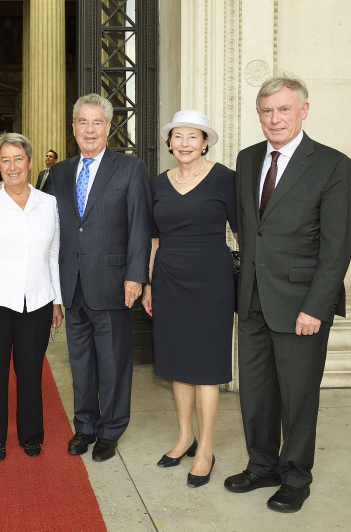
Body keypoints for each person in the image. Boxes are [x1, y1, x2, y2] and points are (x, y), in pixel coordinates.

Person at [223, 75, 351, 512]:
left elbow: (337, 247)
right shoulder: (246, 160)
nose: (274, 119)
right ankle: (262, 465)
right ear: (257, 114)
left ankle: (296, 476)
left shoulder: (332, 165)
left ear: (304, 110)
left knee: (298, 395)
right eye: (266, 111)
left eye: (283, 109)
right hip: (254, 298)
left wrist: (316, 307)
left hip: (301, 304)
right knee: (256, 392)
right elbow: (247, 228)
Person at [43, 94, 151, 462]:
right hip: (71, 284)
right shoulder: (56, 173)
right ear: (73, 128)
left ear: (109, 127)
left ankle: (111, 429)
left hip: (113, 281)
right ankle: (85, 426)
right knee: (80, 362)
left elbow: (140, 225)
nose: (90, 130)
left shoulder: (130, 169)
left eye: (97, 123)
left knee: (114, 363)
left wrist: (136, 276)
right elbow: (42, 224)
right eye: (83, 123)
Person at [141, 110, 237, 488]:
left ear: (205, 142)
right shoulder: (157, 184)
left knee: (206, 367)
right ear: (169, 143)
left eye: (192, 137)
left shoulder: (224, 179)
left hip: (211, 280)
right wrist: (149, 285)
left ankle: (206, 448)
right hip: (168, 278)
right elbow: (153, 238)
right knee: (178, 362)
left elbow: (244, 230)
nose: (184, 144)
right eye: (177, 137)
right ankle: (184, 437)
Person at [0, 133, 63, 461]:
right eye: (5, 160)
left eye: (18, 159)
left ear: (30, 162)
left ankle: (30, 433)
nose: (12, 166)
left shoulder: (47, 203)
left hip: (37, 300)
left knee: (31, 371)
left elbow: (53, 254)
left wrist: (57, 299)